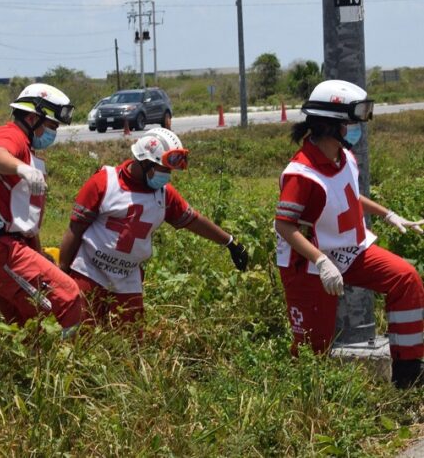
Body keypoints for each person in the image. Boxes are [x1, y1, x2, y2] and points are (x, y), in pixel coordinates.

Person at [274, 79, 424, 389]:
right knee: (314, 348)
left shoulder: (344, 157)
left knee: (406, 280)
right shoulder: (300, 174)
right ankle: (303, 406)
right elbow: (284, 225)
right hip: (310, 264)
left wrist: (387, 214)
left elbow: (347, 196)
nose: (356, 129)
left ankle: (409, 374)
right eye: (352, 123)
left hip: (351, 251)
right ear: (333, 125)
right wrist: (321, 261)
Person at [59, 127, 249, 327]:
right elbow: (75, 229)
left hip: (127, 279)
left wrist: (229, 242)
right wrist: (62, 273)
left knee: (129, 345)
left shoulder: (164, 194)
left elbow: (193, 220)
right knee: (79, 335)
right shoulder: (104, 182)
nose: (167, 176)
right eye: (164, 170)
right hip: (90, 272)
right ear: (145, 163)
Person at [0, 83, 83, 334]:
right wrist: (23, 169)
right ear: (33, 118)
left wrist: (38, 255)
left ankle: (30, 371)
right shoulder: (10, 135)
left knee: (28, 326)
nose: (53, 133)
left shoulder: (27, 150)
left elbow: (24, 222)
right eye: (52, 125)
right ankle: (70, 363)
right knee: (68, 297)